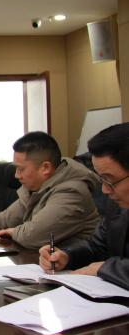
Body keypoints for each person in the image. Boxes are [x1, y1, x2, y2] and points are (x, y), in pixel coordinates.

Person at [0, 132, 100, 250]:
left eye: (21, 169)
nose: (16, 175)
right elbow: (6, 218)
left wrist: (13, 232)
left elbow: (33, 235)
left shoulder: (72, 192)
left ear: (45, 168)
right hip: (42, 262)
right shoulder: (36, 186)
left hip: (73, 270)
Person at [40, 123, 129, 289]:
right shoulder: (118, 206)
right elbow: (96, 247)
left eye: (110, 180)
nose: (104, 190)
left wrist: (105, 268)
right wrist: (67, 256)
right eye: (102, 180)